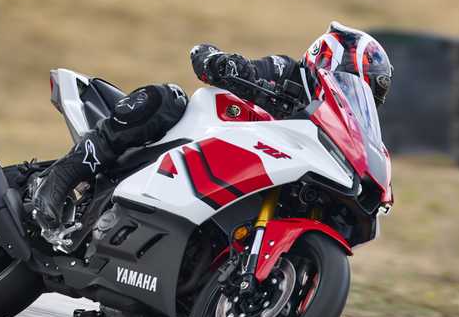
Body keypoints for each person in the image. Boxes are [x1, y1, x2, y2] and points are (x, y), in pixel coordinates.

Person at [31, 21, 393, 231]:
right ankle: (63, 176)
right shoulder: (287, 74)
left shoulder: (336, 124)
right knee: (168, 99)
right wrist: (224, 64)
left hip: (251, 179)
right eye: (358, 80)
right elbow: (219, 61)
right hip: (211, 141)